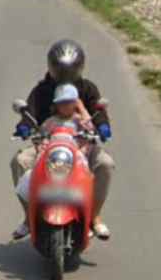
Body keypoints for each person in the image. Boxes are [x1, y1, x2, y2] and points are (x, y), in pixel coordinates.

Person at [11, 39, 114, 241]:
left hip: (81, 144)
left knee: (106, 164)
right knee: (19, 161)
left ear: (79, 68)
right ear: (52, 67)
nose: (65, 75)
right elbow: (30, 112)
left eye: (71, 69)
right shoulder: (42, 90)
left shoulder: (88, 89)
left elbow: (97, 112)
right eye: (61, 69)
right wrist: (24, 127)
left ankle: (94, 216)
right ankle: (29, 217)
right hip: (47, 145)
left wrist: (103, 126)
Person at [15, 84, 94, 208]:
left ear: (75, 103)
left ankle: (86, 205)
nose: (65, 106)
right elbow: (42, 134)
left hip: (73, 154)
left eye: (69, 102)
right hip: (53, 155)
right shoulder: (51, 121)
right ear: (56, 105)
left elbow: (90, 128)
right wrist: (38, 140)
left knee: (86, 170)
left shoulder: (79, 120)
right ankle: (32, 206)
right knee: (35, 166)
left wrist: (82, 109)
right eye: (62, 103)